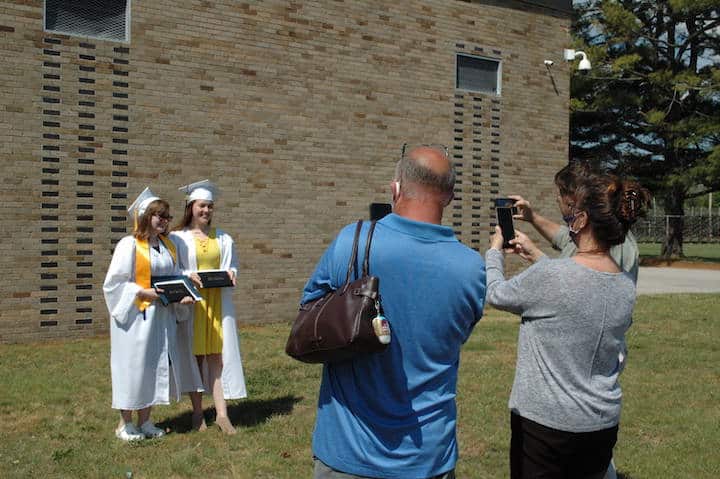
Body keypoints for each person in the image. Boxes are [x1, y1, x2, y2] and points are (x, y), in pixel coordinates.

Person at [302, 145, 486, 479]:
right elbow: (456, 335)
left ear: (396, 188)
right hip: (428, 456)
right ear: (450, 197)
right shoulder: (472, 269)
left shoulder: (351, 241)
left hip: (347, 451)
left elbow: (309, 314)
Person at [485, 166, 650, 479]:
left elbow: (496, 293)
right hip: (601, 425)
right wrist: (537, 256)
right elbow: (574, 294)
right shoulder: (625, 285)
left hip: (545, 427)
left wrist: (494, 251)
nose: (568, 216)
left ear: (584, 219)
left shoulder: (552, 278)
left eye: (574, 211)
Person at [103, 187, 196, 442]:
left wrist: (183, 293)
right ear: (145, 216)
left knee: (155, 366)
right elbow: (114, 283)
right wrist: (143, 293)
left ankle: (145, 420)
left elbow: (175, 276)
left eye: (166, 217)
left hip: (162, 315)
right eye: (159, 216)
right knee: (134, 366)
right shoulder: (129, 245)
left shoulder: (168, 246)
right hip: (136, 318)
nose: (164, 221)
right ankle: (125, 423)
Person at [171, 180, 247, 435]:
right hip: (194, 306)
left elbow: (232, 264)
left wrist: (232, 273)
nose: (207, 211)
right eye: (202, 206)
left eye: (210, 207)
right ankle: (197, 413)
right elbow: (172, 269)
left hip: (216, 304)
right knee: (195, 357)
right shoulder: (178, 238)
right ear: (191, 207)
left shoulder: (223, 238)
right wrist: (187, 275)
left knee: (217, 357)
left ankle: (222, 415)